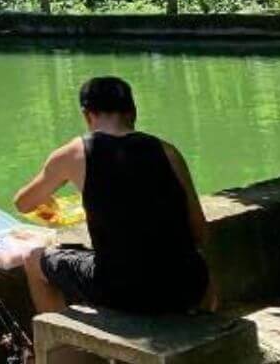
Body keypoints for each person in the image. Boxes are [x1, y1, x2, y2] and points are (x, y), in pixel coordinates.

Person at [13, 75, 216, 316]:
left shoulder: (74, 153)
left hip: (120, 290)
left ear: (87, 115)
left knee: (33, 260)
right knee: (199, 265)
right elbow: (200, 233)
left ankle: (66, 351)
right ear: (133, 112)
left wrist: (50, 201)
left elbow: (23, 203)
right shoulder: (168, 151)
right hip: (186, 285)